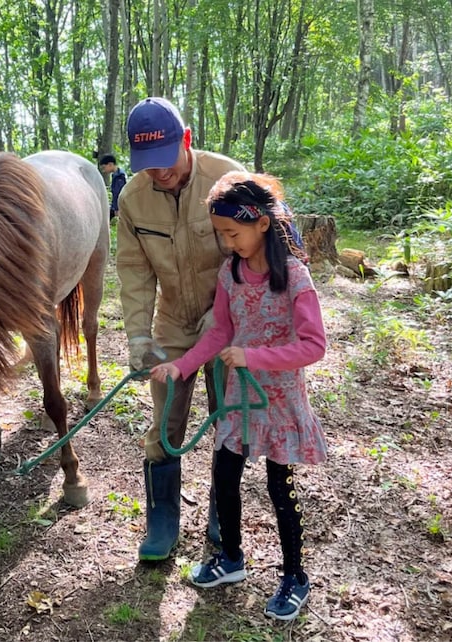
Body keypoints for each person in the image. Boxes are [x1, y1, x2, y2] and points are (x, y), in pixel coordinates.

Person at [149, 171, 328, 621]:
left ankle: (295, 577)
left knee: (278, 488)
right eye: (221, 235)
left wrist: (253, 357)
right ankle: (231, 557)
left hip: (279, 402)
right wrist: (181, 366)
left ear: (261, 224)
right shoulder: (231, 273)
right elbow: (221, 333)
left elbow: (314, 345)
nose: (228, 243)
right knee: (224, 476)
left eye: (233, 233)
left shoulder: (294, 276)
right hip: (238, 401)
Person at [116, 96, 245, 561]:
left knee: (229, 416)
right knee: (165, 420)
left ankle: (221, 508)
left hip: (230, 321)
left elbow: (254, 251)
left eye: (166, 159)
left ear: (186, 140)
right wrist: (138, 335)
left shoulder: (228, 180)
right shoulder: (132, 198)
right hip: (173, 322)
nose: (159, 172)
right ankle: (162, 519)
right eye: (147, 164)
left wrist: (227, 310)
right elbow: (133, 271)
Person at [98, 154, 126, 220]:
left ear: (110, 164)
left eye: (104, 167)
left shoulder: (120, 176)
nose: (103, 170)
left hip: (120, 206)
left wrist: (117, 208)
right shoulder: (115, 175)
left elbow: (118, 192)